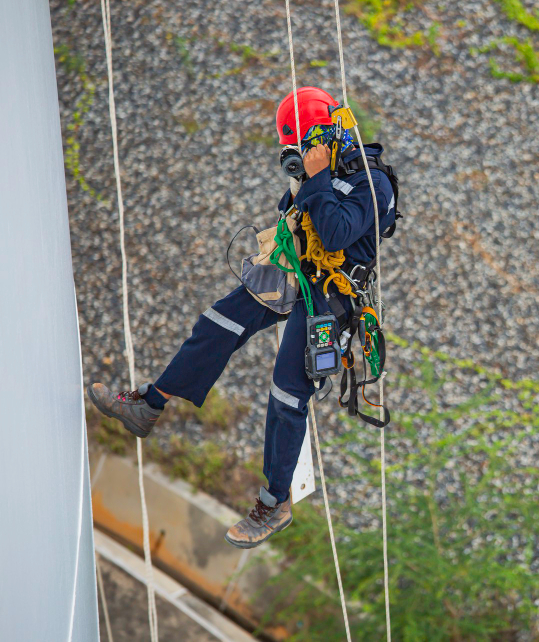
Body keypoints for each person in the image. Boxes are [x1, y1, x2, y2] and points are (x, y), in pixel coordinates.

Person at [88, 86, 396, 549]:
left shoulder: (372, 184)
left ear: (329, 138)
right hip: (299, 269)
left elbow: (334, 234)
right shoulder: (323, 171)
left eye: (302, 149)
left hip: (333, 292)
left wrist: (314, 180)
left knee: (287, 391)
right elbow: (296, 214)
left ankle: (273, 504)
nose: (297, 158)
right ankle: (148, 405)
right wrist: (302, 184)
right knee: (219, 322)